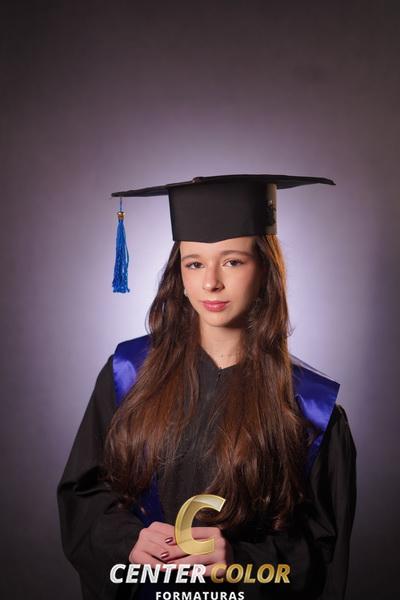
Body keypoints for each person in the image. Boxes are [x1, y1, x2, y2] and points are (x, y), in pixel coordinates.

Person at [57, 174, 357, 600]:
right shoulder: (128, 373)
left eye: (233, 262)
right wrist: (128, 542)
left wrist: (241, 562)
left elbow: (321, 551)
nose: (211, 282)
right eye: (194, 263)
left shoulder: (310, 408)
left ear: (265, 270)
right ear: (179, 274)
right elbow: (84, 495)